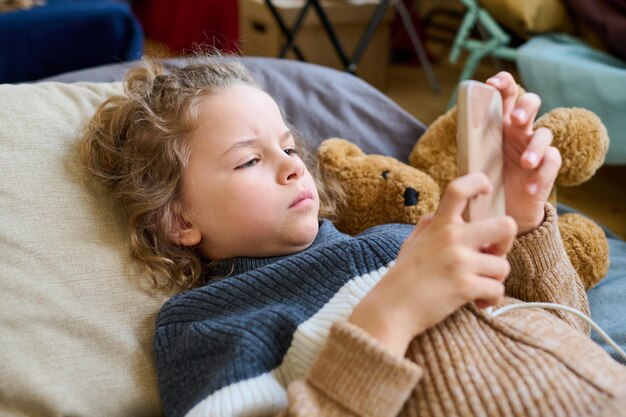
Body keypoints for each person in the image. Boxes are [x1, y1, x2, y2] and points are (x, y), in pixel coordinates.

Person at [81, 57, 626, 417]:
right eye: (250, 159)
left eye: (290, 148)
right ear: (178, 220)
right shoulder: (208, 318)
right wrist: (388, 319)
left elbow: (562, 333)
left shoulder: (401, 237)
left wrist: (526, 221)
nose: (295, 168)